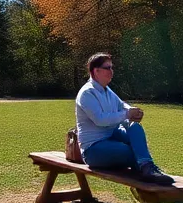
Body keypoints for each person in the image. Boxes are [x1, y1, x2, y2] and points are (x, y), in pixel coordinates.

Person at [74, 52, 174, 185]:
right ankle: (147, 169)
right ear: (96, 71)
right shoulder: (87, 93)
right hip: (93, 149)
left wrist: (133, 112)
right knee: (133, 151)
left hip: (112, 136)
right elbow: (100, 119)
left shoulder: (107, 90)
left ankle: (147, 168)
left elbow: (122, 105)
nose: (111, 71)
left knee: (135, 127)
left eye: (111, 67)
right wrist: (127, 114)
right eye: (107, 68)